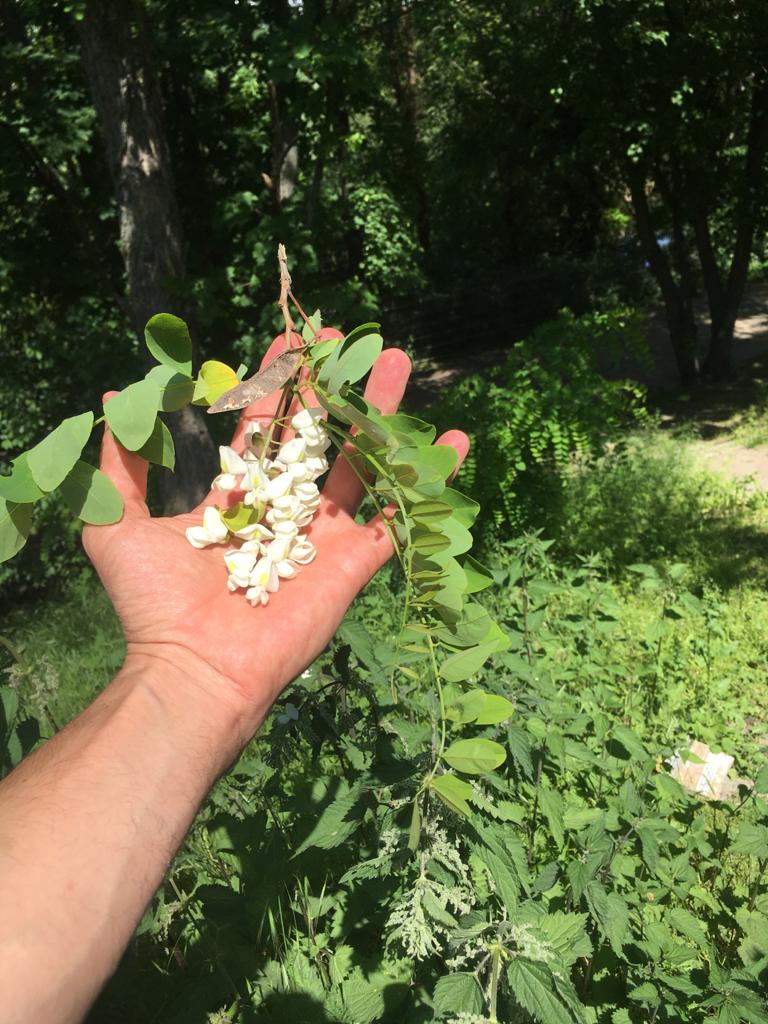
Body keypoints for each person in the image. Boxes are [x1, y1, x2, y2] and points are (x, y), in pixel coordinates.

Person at [0, 333, 469, 1024]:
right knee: (285, 474)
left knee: (292, 471)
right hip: (254, 557)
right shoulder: (244, 510)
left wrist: (180, 675)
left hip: (262, 554)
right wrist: (182, 667)